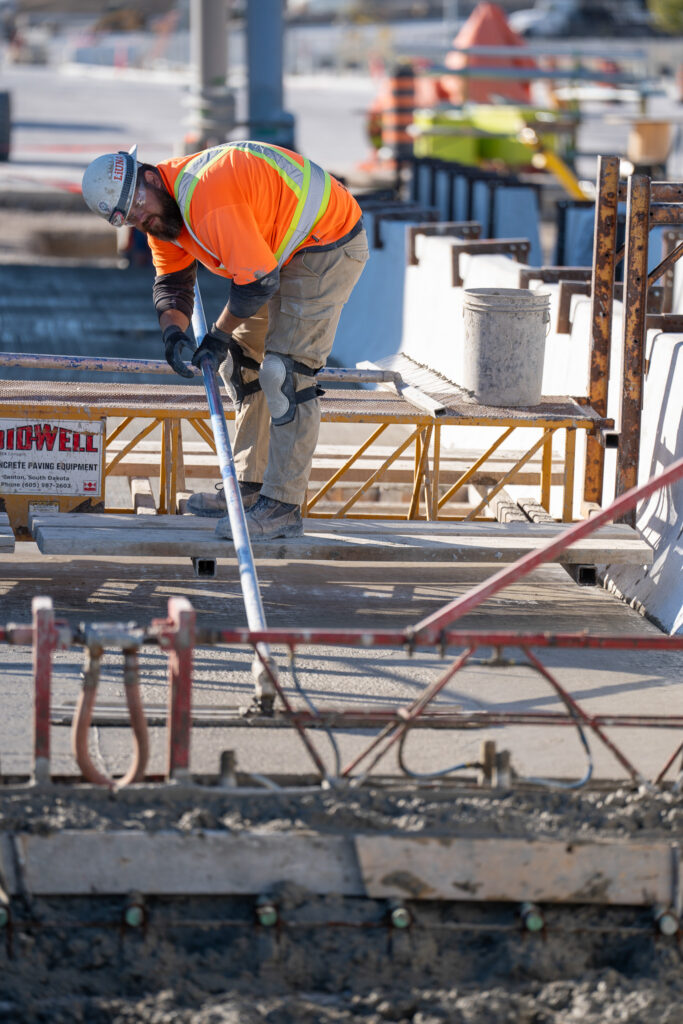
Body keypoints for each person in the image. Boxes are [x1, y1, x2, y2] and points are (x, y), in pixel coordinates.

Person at [81, 142, 369, 540]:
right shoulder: (160, 218)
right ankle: (250, 487)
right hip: (280, 247)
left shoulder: (205, 197)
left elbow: (256, 284)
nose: (140, 218)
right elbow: (173, 285)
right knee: (241, 360)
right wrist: (173, 333)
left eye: (138, 205)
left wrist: (216, 335)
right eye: (128, 217)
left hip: (328, 242)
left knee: (285, 374)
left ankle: (282, 506)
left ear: (150, 178)